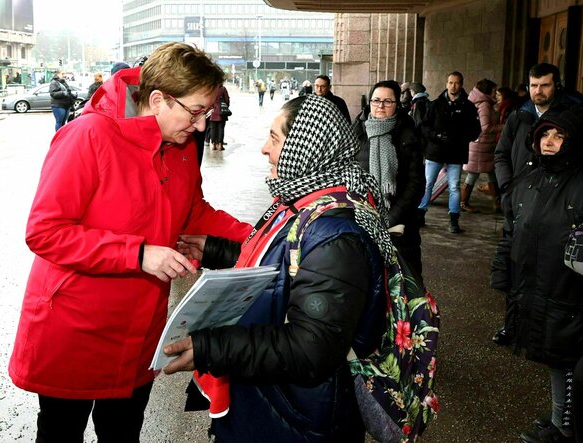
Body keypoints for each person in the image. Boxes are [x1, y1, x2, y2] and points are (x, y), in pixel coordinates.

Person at [8, 42, 253, 443]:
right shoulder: (88, 136)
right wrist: (138, 254)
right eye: (196, 112)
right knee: (60, 432)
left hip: (139, 332)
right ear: (157, 100)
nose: (203, 126)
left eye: (208, 113)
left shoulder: (182, 147)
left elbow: (193, 212)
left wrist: (263, 235)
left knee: (123, 433)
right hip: (74, 328)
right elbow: (45, 231)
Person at [163, 94, 393, 442]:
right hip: (280, 403)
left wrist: (214, 347)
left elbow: (311, 346)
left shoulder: (334, 233)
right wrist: (217, 250)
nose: (264, 150)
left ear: (306, 147)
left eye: (274, 139)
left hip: (299, 418)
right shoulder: (310, 200)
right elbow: (289, 265)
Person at [505, 107, 583, 443]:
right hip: (540, 284)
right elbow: (514, 231)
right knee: (555, 356)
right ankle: (560, 419)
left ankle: (564, 426)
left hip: (569, 288)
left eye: (558, 135)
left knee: (564, 358)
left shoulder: (578, 181)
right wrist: (502, 273)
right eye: (544, 135)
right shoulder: (531, 178)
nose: (549, 142)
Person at [491, 63, 582, 347]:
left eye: (544, 85)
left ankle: (549, 329)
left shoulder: (571, 115)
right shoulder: (519, 115)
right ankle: (513, 324)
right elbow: (501, 155)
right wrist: (507, 189)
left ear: (557, 86)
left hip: (555, 201)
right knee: (517, 260)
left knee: (548, 265)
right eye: (533, 85)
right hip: (519, 201)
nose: (537, 91)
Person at [351, 80, 425, 283]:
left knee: (404, 284)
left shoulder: (408, 134)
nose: (380, 106)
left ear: (397, 104)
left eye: (387, 101)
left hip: (399, 226)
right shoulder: (357, 132)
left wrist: (391, 218)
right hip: (362, 222)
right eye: (376, 101)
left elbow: (416, 183)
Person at [417, 71, 481, 233]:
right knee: (427, 184)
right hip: (435, 151)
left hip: (456, 152)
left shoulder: (468, 107)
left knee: (454, 187)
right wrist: (436, 136)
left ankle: (453, 220)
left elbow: (475, 130)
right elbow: (424, 126)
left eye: (457, 82)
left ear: (461, 84)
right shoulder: (435, 105)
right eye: (451, 82)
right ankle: (420, 215)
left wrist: (461, 138)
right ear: (446, 84)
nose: (454, 86)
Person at [460, 79, 502, 213]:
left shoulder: (481, 102)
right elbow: (486, 127)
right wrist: (503, 126)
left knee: (491, 173)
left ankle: (497, 202)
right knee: (474, 174)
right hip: (481, 146)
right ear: (488, 90)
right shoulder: (484, 104)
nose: (496, 93)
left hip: (482, 145)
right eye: (494, 90)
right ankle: (463, 202)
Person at [209, 84, 229, 151]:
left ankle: (213, 145)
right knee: (221, 128)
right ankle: (220, 145)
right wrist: (226, 106)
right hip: (221, 112)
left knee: (213, 129)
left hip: (213, 111)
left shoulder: (211, 88)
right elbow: (227, 99)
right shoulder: (223, 88)